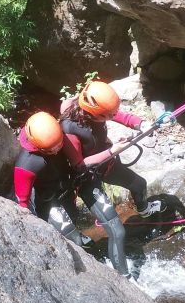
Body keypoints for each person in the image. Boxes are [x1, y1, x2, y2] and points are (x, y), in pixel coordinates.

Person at [15, 111, 135, 278]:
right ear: (37, 146)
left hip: (70, 189)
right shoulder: (26, 165)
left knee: (106, 227)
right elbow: (22, 202)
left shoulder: (61, 138)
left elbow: (79, 165)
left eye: (58, 144)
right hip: (49, 202)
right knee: (75, 243)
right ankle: (87, 277)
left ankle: (123, 278)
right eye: (51, 149)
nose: (57, 150)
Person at [60, 80, 162, 218]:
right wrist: (113, 150)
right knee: (138, 185)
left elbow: (121, 116)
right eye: (109, 115)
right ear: (96, 114)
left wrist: (140, 124)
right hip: (93, 171)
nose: (113, 117)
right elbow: (79, 165)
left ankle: (143, 210)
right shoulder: (70, 129)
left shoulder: (92, 109)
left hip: (107, 160)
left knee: (139, 184)